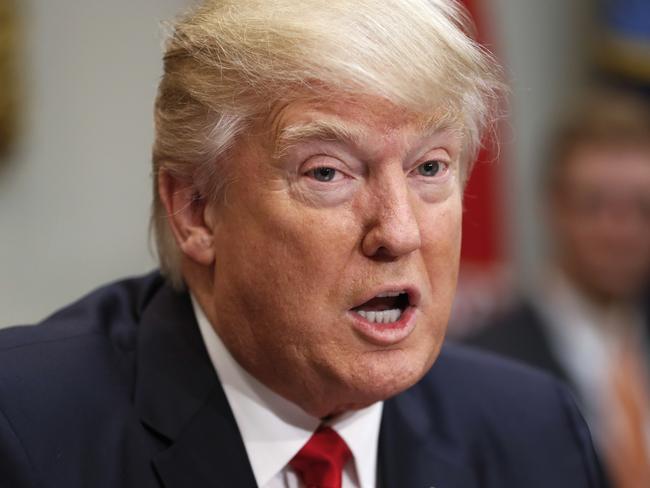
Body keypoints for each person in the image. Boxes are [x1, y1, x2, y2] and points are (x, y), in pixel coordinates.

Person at [0, 1, 602, 487]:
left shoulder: (532, 431)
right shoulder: (25, 427)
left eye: (430, 168)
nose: (399, 231)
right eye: (327, 173)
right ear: (196, 210)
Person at [467, 90, 650, 487]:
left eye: (642, 207)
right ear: (553, 206)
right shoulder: (485, 366)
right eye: (594, 204)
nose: (621, 230)